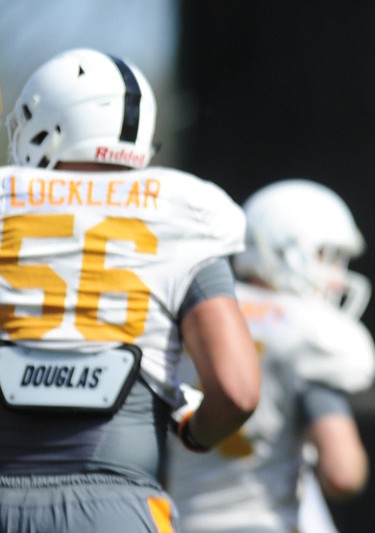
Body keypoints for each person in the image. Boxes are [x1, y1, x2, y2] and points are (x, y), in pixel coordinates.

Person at [0, 48, 261, 532]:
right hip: (114, 506)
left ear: (48, 127)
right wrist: (197, 433)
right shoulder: (184, 211)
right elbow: (238, 390)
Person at [167, 178, 375, 533]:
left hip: (173, 520)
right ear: (283, 251)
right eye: (328, 257)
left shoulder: (191, 311)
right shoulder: (311, 334)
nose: (337, 278)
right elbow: (343, 474)